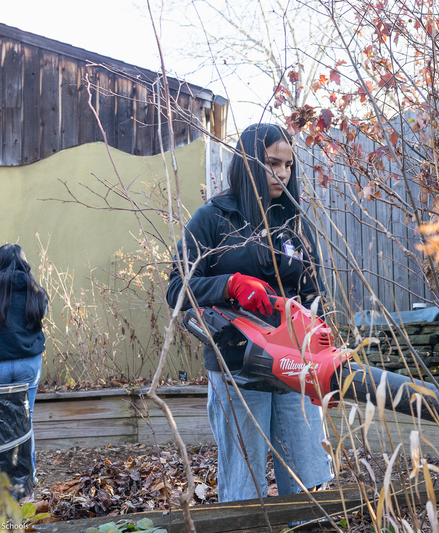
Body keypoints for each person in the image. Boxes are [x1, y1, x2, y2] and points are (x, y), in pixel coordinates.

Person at [166, 123, 332, 502]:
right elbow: (177, 288)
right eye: (273, 163)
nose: (283, 173)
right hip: (236, 363)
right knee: (244, 480)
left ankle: (304, 525)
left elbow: (315, 293)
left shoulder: (294, 222)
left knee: (306, 474)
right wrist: (229, 284)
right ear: (249, 162)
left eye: (289, 165)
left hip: (295, 362)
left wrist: (318, 341)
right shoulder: (213, 219)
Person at [0, 244, 48, 473]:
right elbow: (38, 320)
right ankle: (27, 483)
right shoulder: (35, 289)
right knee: (26, 422)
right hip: (28, 363)